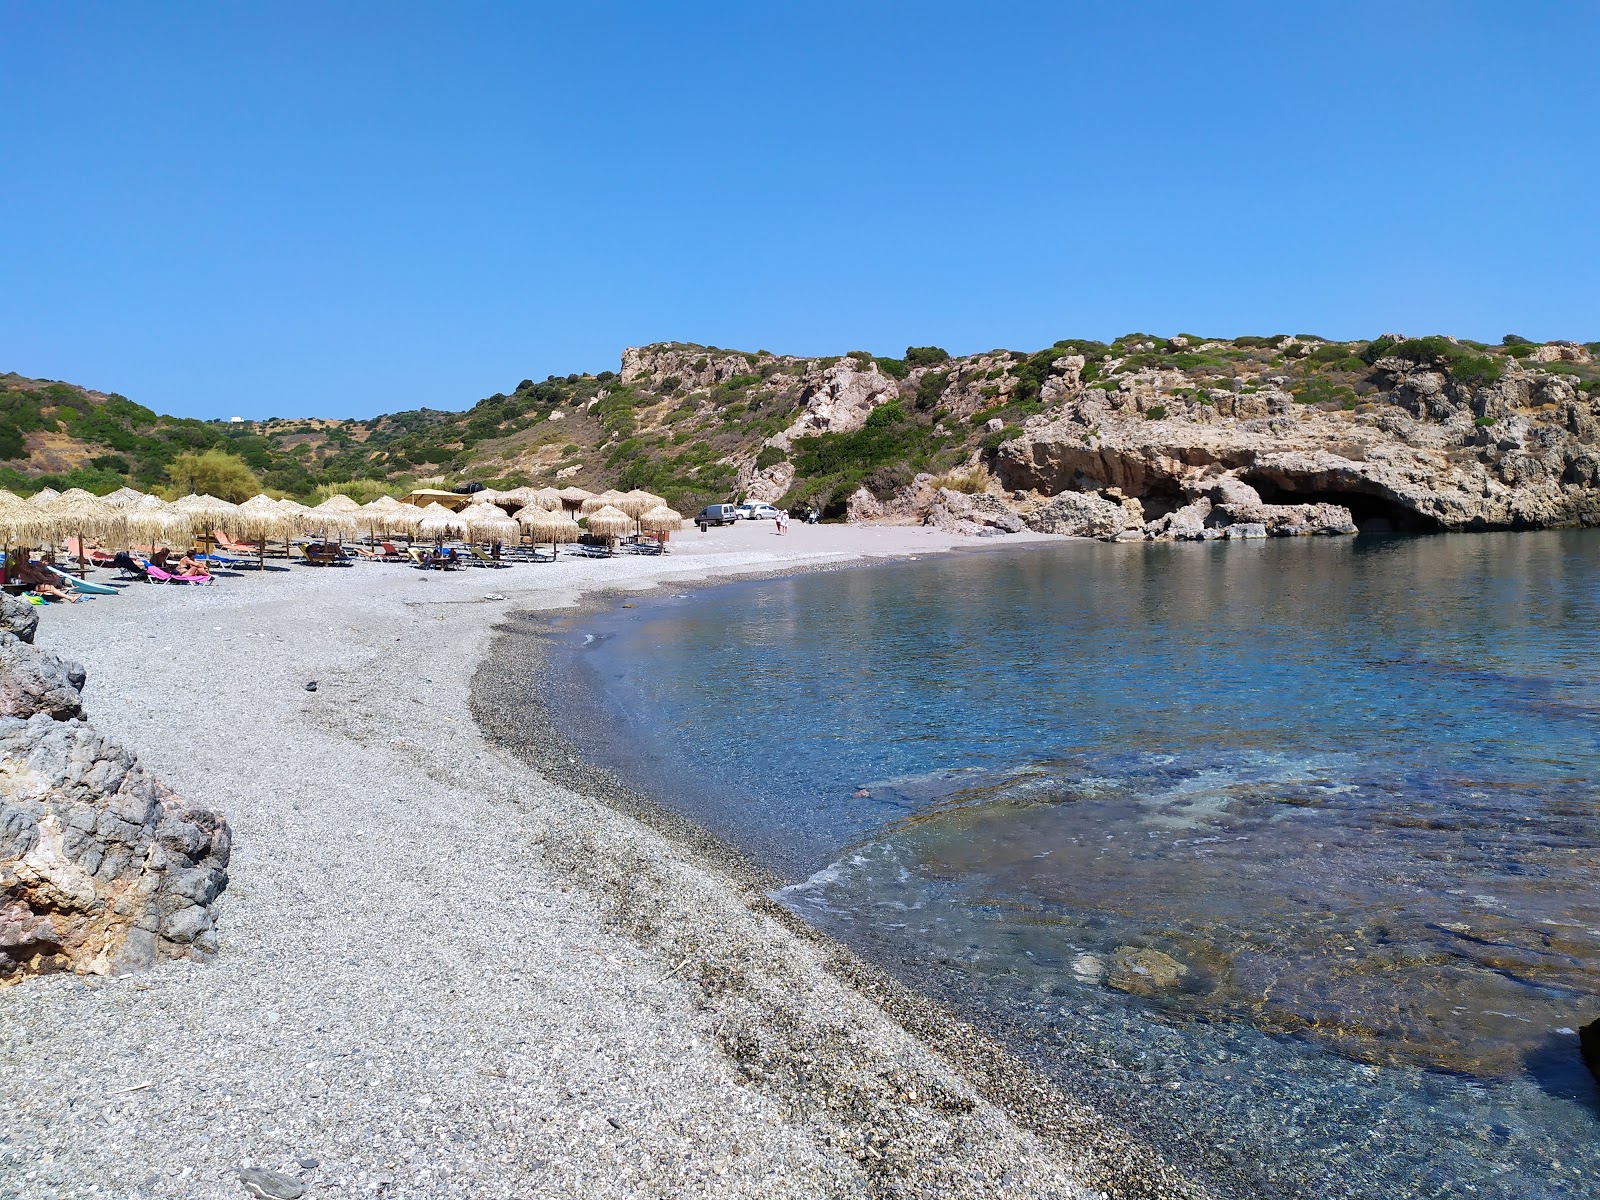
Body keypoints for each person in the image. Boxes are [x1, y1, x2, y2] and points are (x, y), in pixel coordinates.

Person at [16, 558, 80, 603]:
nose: (28, 557)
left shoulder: (28, 566)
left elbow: (36, 576)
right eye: (26, 555)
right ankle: (71, 598)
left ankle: (66, 595)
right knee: (50, 588)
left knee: (51, 586)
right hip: (27, 586)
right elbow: (33, 575)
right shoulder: (19, 567)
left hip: (33, 584)